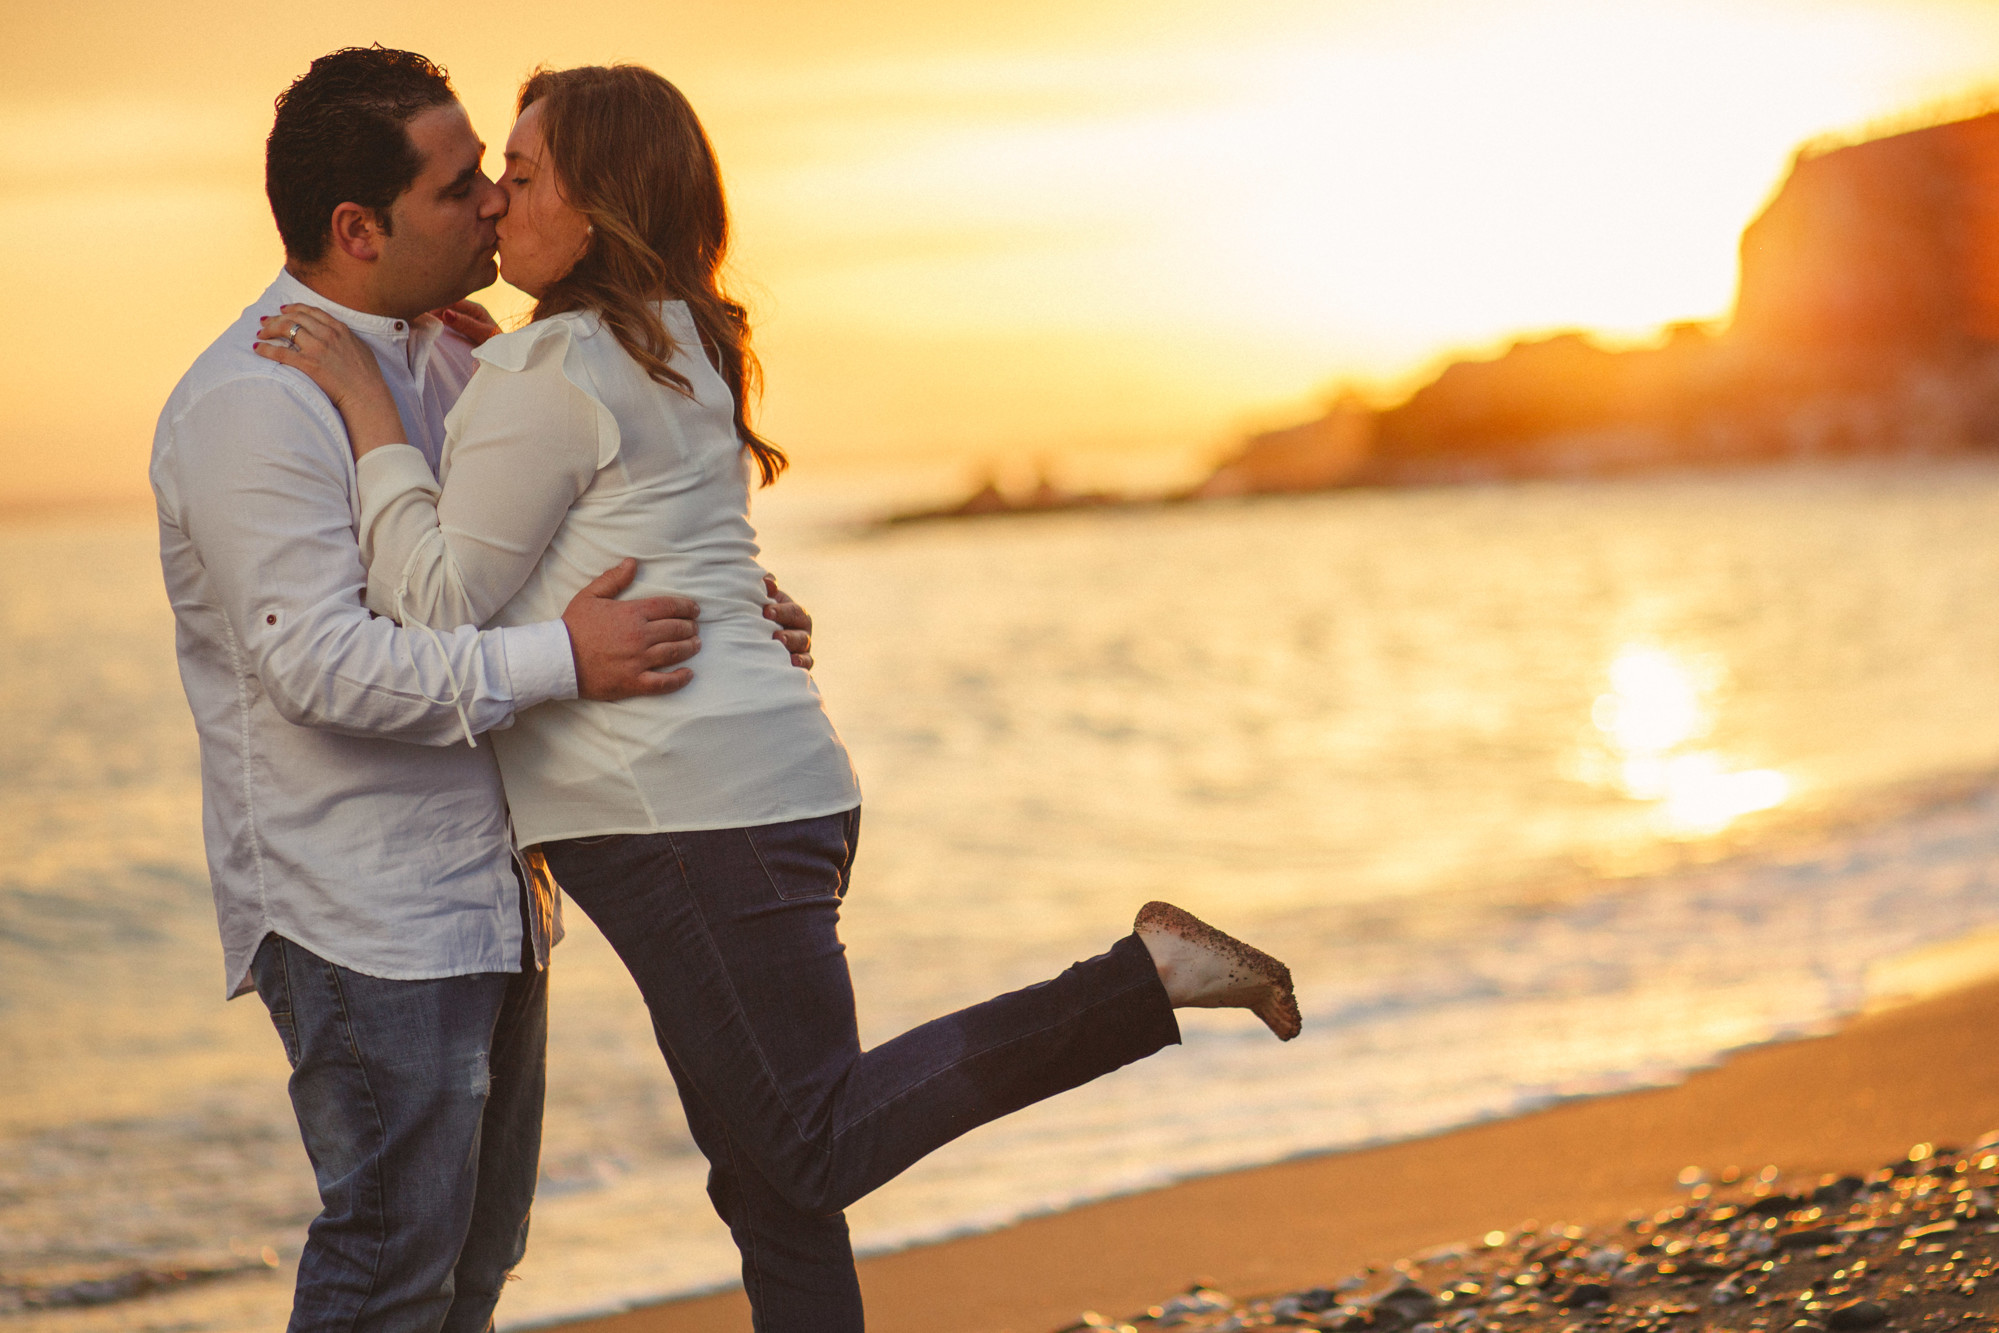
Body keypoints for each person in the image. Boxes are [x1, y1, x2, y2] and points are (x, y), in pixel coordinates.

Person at [260, 62, 1302, 1333]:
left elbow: (432, 602)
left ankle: (1144, 980)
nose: (493, 207)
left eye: (520, 179)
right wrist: (494, 380)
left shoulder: (558, 368)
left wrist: (373, 407)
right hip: (763, 791)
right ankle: (1147, 982)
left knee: (799, 1152)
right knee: (777, 1186)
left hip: (685, 815)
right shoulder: (682, 339)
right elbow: (650, 534)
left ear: (593, 210)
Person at [150, 47, 819, 1333]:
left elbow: (557, 535)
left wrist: (729, 612)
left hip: (496, 891)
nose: (497, 206)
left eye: (502, 178)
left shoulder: (459, 358)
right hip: (364, 907)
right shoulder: (251, 399)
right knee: (391, 1260)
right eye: (465, 188)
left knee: (476, 1260)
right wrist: (573, 659)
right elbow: (320, 663)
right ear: (358, 226)